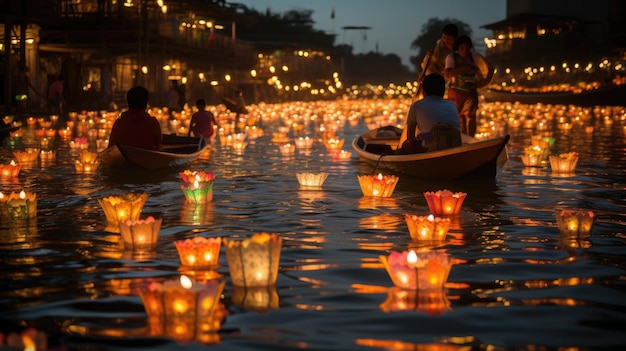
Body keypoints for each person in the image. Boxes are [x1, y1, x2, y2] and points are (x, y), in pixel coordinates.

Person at [398, 73, 461, 154]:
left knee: (405, 145)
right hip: (454, 146)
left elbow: (410, 138)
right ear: (443, 90)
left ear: (424, 91)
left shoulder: (416, 106)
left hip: (431, 149)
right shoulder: (451, 105)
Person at [444, 35, 494, 137]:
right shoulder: (452, 57)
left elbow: (482, 71)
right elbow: (448, 74)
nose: (465, 50)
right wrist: (462, 68)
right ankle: (463, 138)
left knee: (472, 116)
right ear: (457, 49)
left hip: (471, 92)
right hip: (456, 93)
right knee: (460, 117)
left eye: (467, 48)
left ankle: (471, 139)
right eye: (462, 48)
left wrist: (483, 80)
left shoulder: (474, 57)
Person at [108, 86, 162, 151]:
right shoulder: (152, 123)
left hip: (124, 161)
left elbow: (110, 149)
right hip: (147, 160)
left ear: (128, 103)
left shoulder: (119, 123)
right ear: (146, 104)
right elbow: (158, 145)